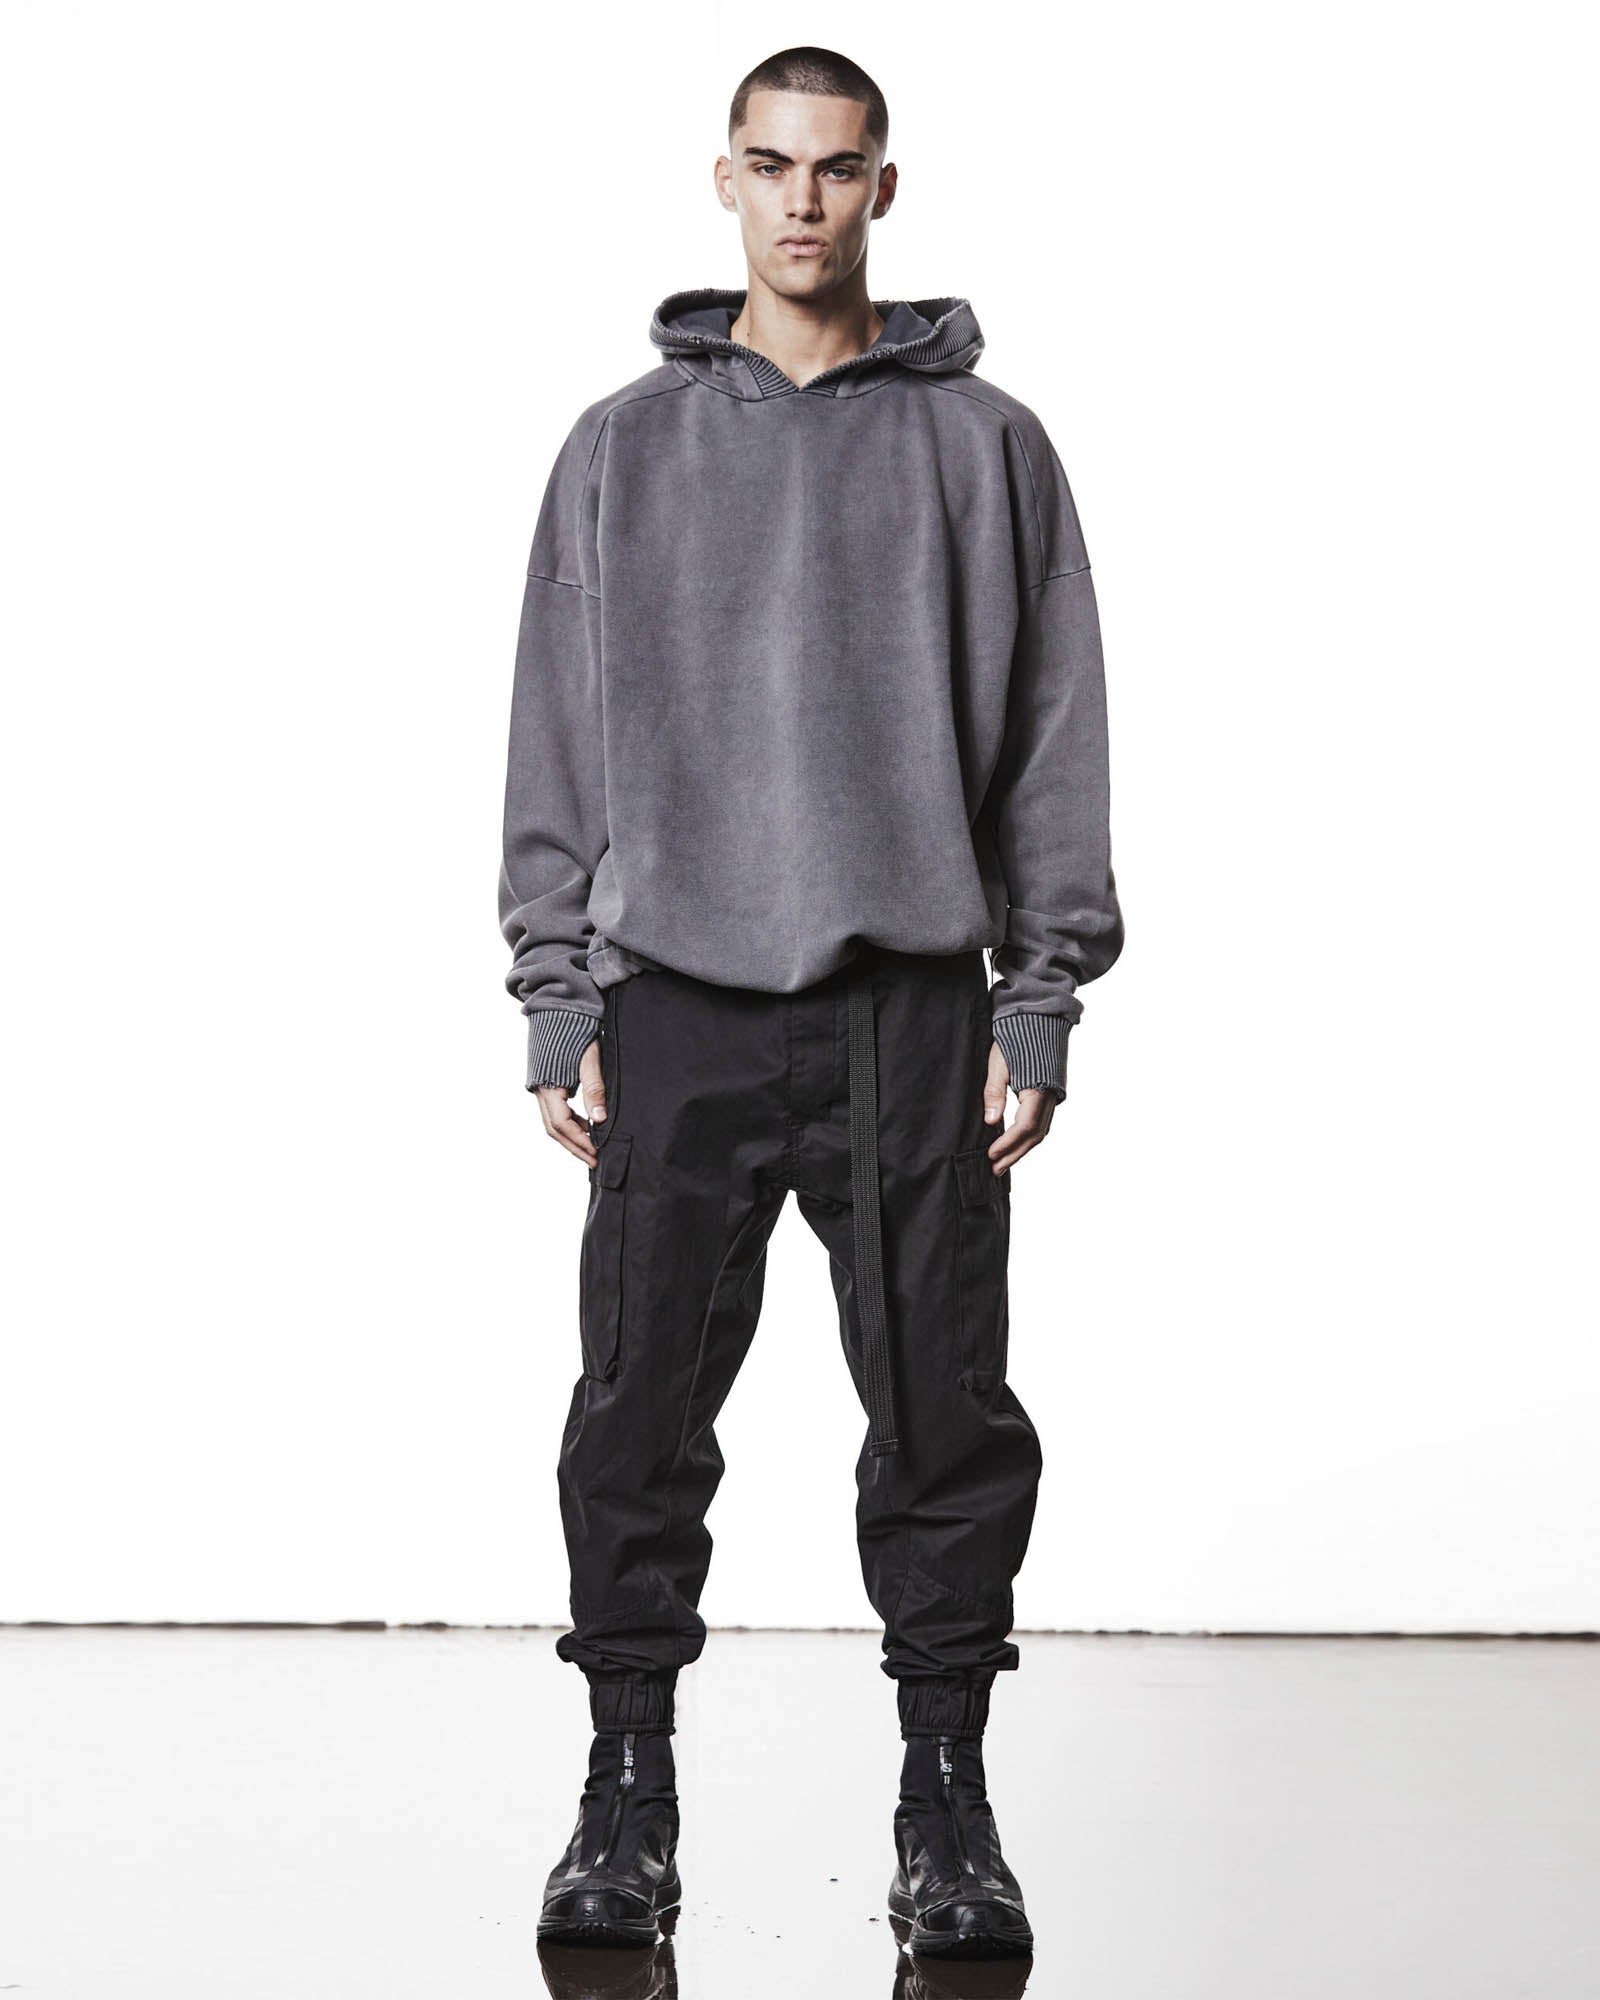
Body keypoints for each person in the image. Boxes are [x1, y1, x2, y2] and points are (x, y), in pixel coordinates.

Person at [500, 45, 1124, 1961]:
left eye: (836, 169)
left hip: (907, 1006)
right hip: (678, 998)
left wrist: (1040, 996)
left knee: (945, 1421)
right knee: (635, 1418)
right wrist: (555, 984)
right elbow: (558, 728)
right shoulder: (622, 449)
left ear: (882, 189)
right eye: (770, 165)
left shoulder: (986, 448)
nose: (802, 201)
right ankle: (627, 1795)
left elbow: (1052, 737)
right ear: (724, 179)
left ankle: (948, 1808)